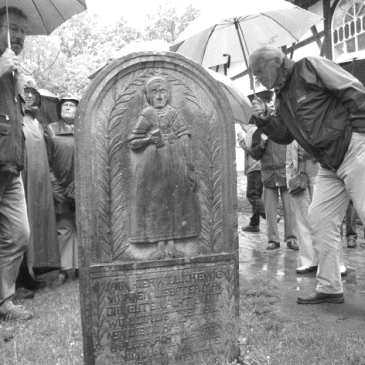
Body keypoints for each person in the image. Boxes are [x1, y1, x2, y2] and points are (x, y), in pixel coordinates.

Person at [249, 46, 365, 304]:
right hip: (328, 162)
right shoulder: (280, 98)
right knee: (319, 219)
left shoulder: (309, 67)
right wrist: (266, 119)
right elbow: (284, 135)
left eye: (259, 71)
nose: (257, 78)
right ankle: (330, 287)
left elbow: (353, 88)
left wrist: (359, 131)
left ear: (277, 61)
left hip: (354, 147)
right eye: (254, 75)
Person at [128, 75, 200, 260]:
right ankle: (159, 247)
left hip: (174, 162)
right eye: (154, 92)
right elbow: (133, 141)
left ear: (168, 95)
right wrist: (148, 139)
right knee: (156, 201)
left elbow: (184, 135)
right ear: (148, 96)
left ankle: (172, 246)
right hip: (152, 164)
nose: (159, 96)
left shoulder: (173, 113)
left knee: (176, 201)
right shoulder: (147, 114)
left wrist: (188, 163)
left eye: (163, 92)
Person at [0, 6, 33, 321]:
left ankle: (4, 299)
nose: (20, 35)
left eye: (24, 30)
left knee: (20, 234)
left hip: (11, 166)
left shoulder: (14, 71)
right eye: (13, 28)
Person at [20, 76, 60, 285]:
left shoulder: (40, 123)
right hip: (23, 178)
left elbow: (52, 152)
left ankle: (39, 267)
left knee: (40, 220)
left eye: (32, 91)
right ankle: (22, 274)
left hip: (41, 180)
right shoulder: (16, 117)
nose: (29, 95)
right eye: (25, 90)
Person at [45, 94, 79, 285]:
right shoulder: (50, 129)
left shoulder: (84, 129)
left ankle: (83, 266)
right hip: (60, 185)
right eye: (64, 104)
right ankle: (65, 269)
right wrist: (56, 187)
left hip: (81, 186)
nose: (67, 107)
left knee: (83, 227)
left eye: (71, 105)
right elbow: (47, 161)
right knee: (64, 227)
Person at [250, 128, 298, 251]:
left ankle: (291, 238)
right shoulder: (258, 132)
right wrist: (261, 144)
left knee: (290, 208)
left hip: (286, 173)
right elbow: (254, 155)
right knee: (270, 210)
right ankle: (273, 240)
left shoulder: (285, 128)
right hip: (268, 174)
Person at [238, 118, 265, 233]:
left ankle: (268, 214)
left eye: (241, 124)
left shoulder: (251, 131)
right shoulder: (258, 130)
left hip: (254, 167)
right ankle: (254, 224)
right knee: (257, 194)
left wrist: (240, 140)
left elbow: (248, 148)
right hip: (260, 167)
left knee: (252, 195)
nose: (241, 127)